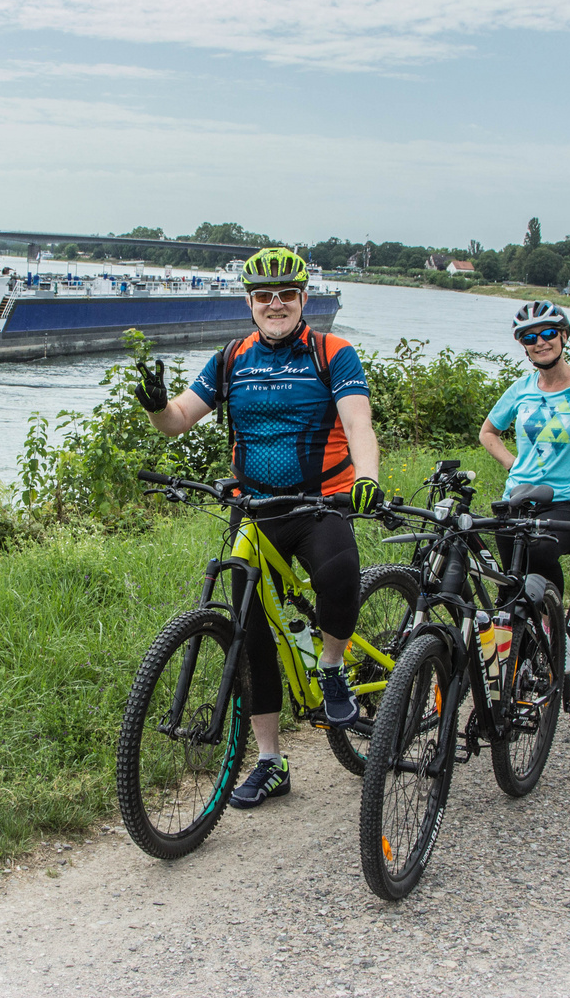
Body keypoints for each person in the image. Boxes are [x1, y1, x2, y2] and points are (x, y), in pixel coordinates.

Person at [132, 246, 382, 809]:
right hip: (256, 510)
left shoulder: (332, 353)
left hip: (320, 503)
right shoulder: (231, 359)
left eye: (286, 295)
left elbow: (357, 422)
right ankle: (270, 762)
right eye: (264, 296)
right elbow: (177, 422)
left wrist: (366, 476)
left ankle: (334, 668)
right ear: (249, 303)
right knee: (251, 639)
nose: (275, 304)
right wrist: (153, 406)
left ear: (302, 300)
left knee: (340, 573)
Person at [479, 300, 570, 673]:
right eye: (529, 336)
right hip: (518, 500)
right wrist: (514, 464)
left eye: (548, 333)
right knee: (510, 585)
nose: (540, 342)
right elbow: (488, 432)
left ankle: (558, 639)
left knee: (538, 553)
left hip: (566, 501)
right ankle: (517, 668)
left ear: (564, 335)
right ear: (523, 344)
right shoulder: (521, 388)